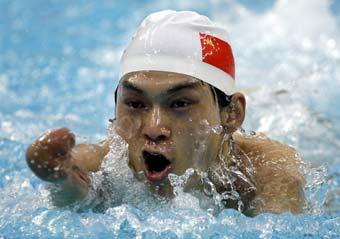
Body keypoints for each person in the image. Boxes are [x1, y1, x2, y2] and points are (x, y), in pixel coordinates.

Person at [26, 10, 305, 215]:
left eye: (180, 103)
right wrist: (58, 177)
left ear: (231, 113)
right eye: (135, 104)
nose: (154, 127)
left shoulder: (268, 170)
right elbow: (77, 186)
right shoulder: (112, 160)